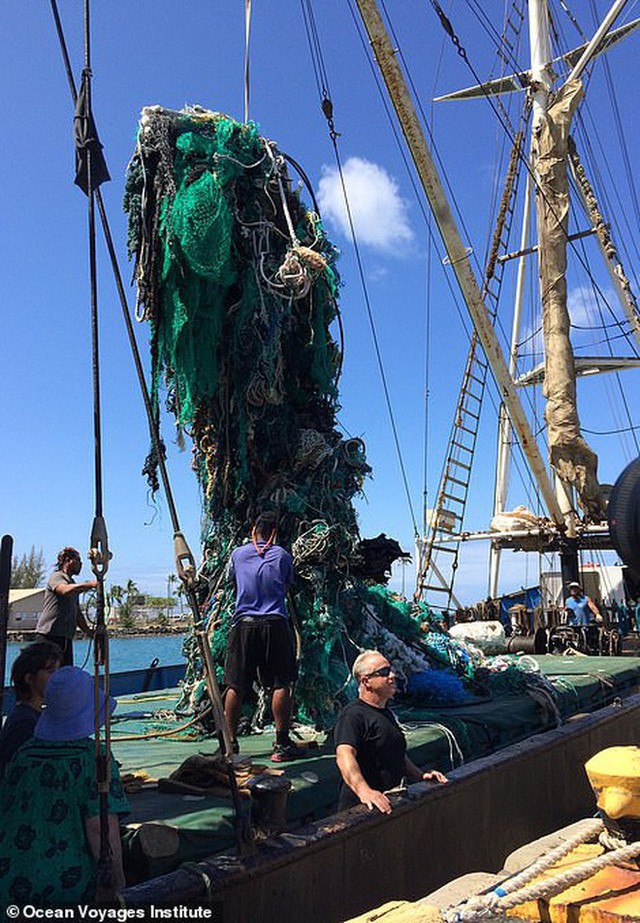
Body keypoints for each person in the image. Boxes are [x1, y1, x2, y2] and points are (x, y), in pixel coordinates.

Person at [0, 666, 129, 907]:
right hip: (65, 885)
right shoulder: (93, 758)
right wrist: (118, 885)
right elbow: (100, 829)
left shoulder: (24, 754)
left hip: (10, 878)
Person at [223, 512, 303, 762]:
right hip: (275, 624)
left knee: (235, 685)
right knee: (281, 683)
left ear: (253, 530)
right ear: (275, 533)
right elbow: (288, 584)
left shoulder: (237, 554)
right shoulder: (282, 555)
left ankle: (229, 744)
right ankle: (281, 745)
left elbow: (231, 581)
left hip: (243, 625)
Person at [334, 650, 448, 814]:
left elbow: (395, 752)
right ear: (366, 681)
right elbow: (344, 755)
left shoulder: (385, 712)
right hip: (363, 809)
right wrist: (364, 791)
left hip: (388, 803)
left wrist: (420, 775)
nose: (392, 675)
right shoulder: (353, 715)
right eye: (384, 672)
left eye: (391, 670)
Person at [0, 641, 62, 777]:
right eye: (50, 672)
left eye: (58, 671)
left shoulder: (32, 716)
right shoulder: (24, 724)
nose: (57, 677)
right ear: (29, 678)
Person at [35, 547, 97, 665]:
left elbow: (77, 614)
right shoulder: (57, 577)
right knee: (47, 672)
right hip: (49, 637)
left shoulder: (72, 583)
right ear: (68, 561)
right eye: (79, 561)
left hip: (65, 638)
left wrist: (89, 632)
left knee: (65, 674)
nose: (81, 565)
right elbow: (64, 590)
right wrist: (90, 584)